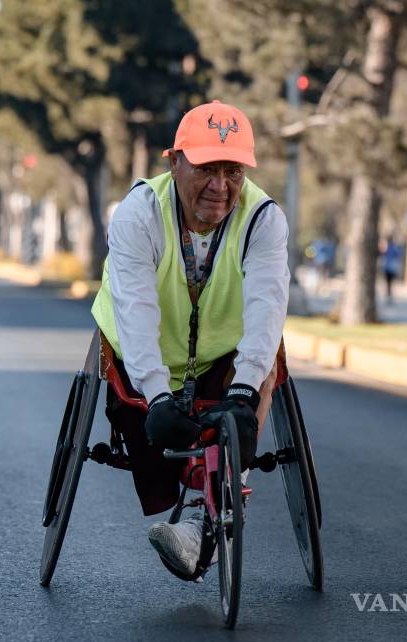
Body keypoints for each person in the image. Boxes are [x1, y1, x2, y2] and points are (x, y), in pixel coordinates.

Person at [91, 100, 290, 579]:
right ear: (174, 161)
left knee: (270, 363)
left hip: (221, 358)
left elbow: (267, 307)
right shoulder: (138, 214)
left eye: (233, 170)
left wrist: (244, 392)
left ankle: (212, 519)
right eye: (206, 168)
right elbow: (135, 311)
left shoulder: (263, 218)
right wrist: (157, 394)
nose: (221, 186)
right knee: (153, 425)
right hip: (141, 357)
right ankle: (192, 499)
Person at [381, 236, 402, 305]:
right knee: (389, 283)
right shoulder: (389, 248)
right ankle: (389, 295)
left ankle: (389, 295)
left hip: (390, 268)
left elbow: (397, 256)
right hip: (390, 268)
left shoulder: (390, 248)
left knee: (389, 283)